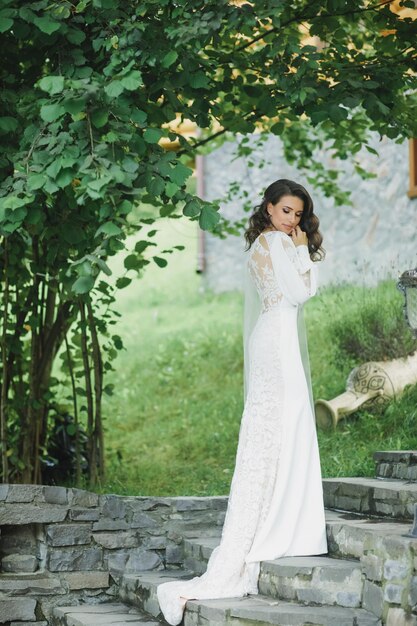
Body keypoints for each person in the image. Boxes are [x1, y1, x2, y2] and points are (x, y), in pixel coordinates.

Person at [157, 179, 328, 625]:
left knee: (274, 428)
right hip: (278, 341)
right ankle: (284, 528)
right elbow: (303, 292)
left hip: (271, 336)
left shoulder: (258, 245)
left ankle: (278, 521)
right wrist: (305, 248)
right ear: (269, 208)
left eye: (299, 214)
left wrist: (298, 250)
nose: (292, 219)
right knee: (285, 424)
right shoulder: (277, 242)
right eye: (286, 210)